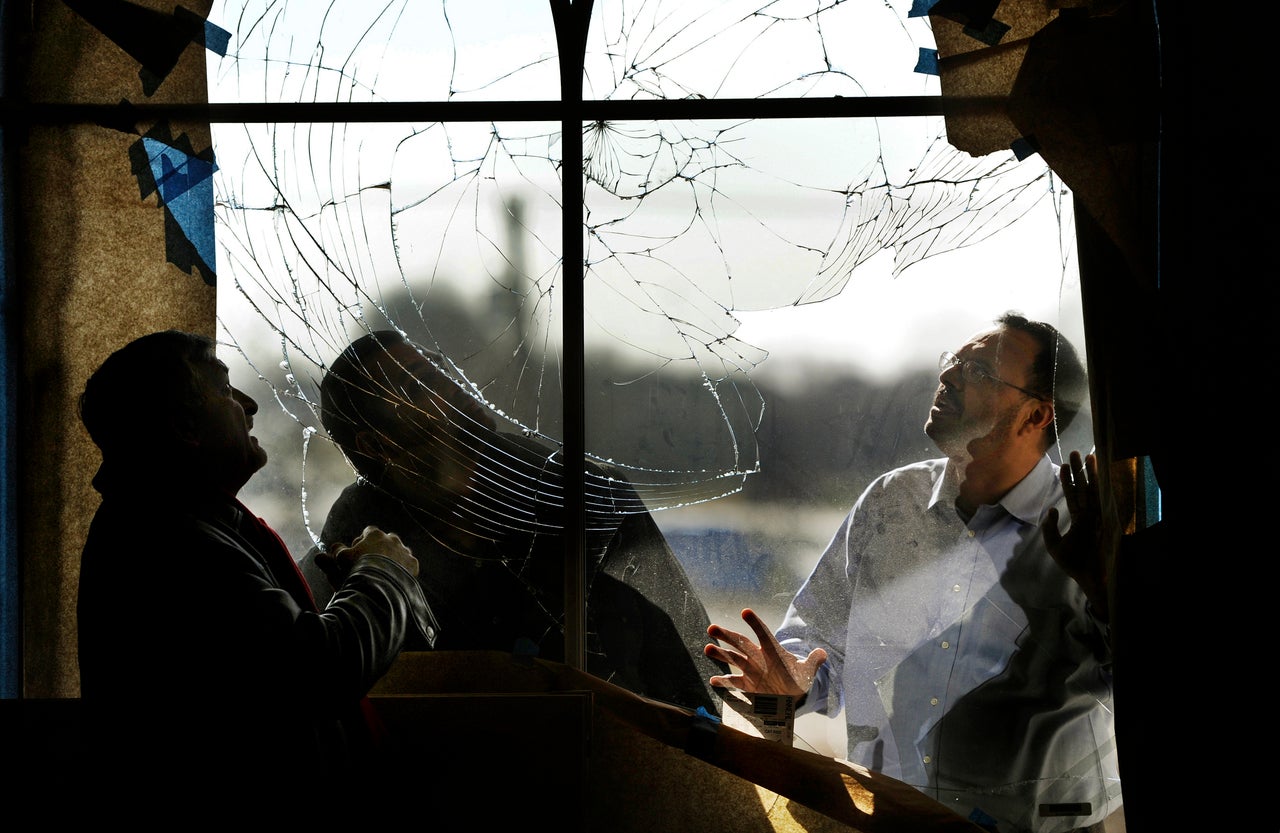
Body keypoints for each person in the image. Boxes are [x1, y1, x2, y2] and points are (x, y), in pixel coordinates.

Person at [703, 312, 1120, 833]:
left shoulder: (1088, 522)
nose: (949, 377)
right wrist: (793, 680)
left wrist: (1105, 594)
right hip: (884, 816)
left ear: (1036, 416)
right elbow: (817, 643)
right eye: (954, 361)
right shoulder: (889, 503)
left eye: (980, 373)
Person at [76, 329, 437, 796]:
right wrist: (382, 570)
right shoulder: (173, 542)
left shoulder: (174, 523)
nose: (249, 405)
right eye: (225, 390)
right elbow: (319, 671)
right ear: (184, 428)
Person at [299, 329, 727, 714]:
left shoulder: (574, 490)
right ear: (377, 443)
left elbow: (684, 669)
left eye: (441, 368)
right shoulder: (358, 543)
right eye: (418, 384)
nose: (450, 385)